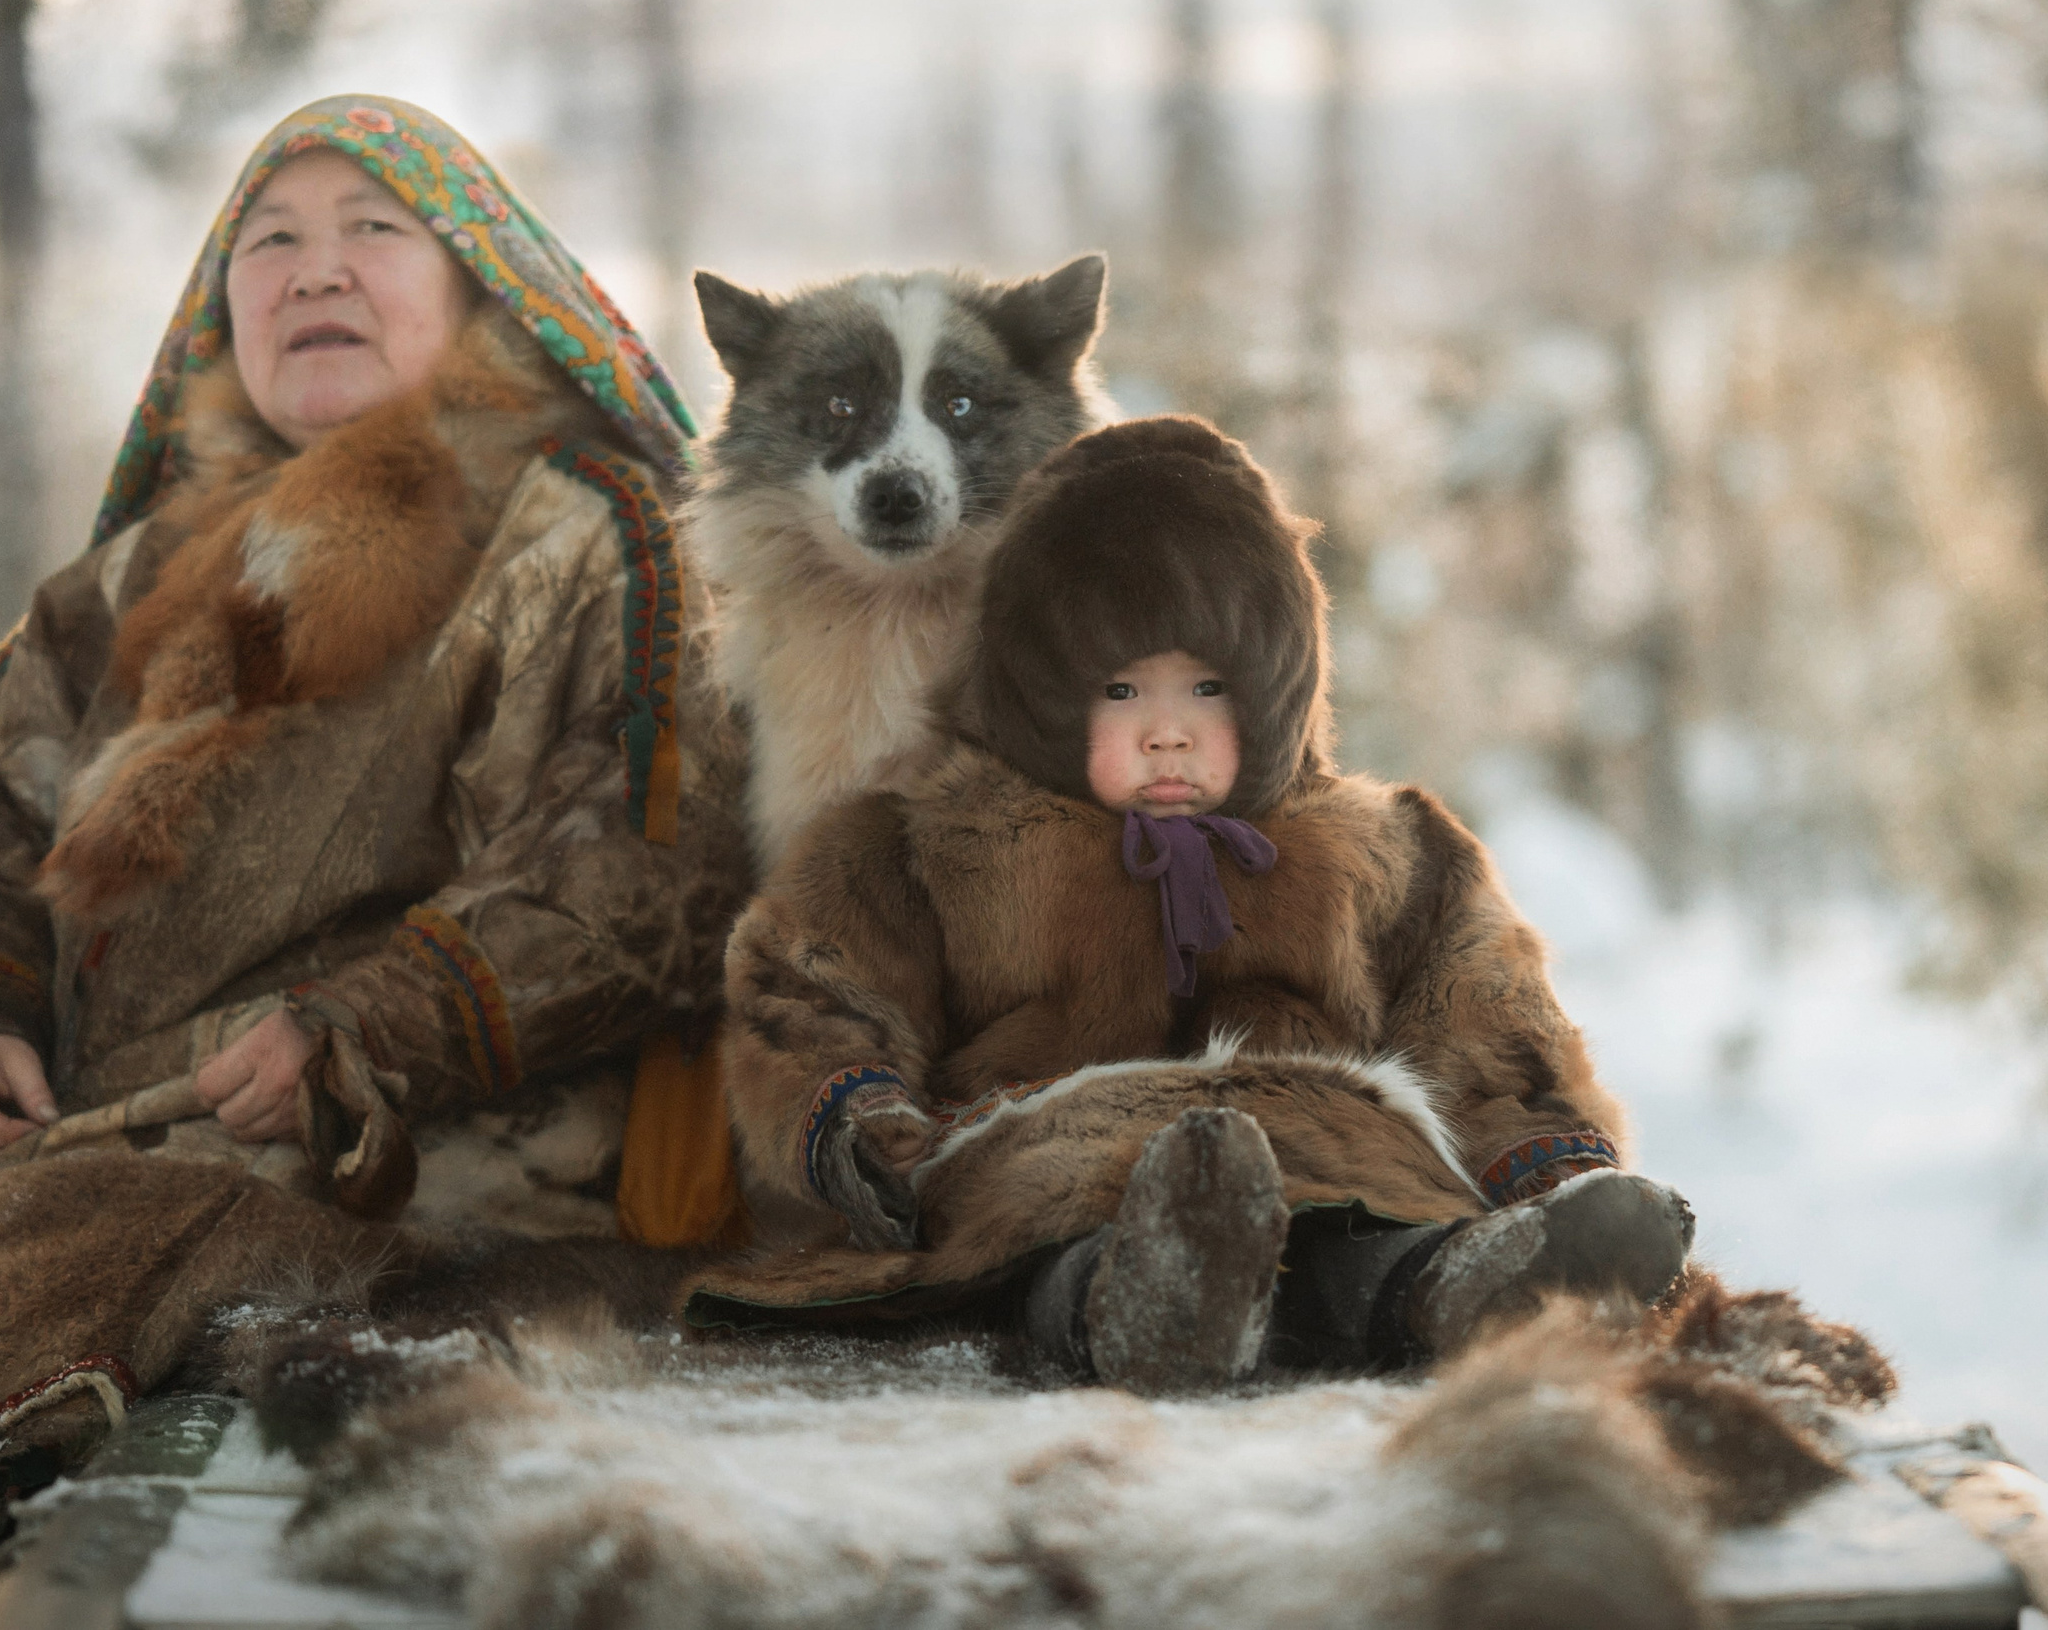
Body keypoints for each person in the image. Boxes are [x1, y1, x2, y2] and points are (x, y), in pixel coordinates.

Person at [0, 96, 753, 1616]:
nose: (316, 271)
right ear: (220, 305)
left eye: (374, 232)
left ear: (475, 286)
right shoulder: (124, 576)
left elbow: (650, 870)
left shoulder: (585, 535)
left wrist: (362, 1028)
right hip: (105, 1159)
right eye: (270, 242)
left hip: (424, 1188)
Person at [689, 416, 1694, 1393]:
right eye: (1121, 693)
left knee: (1368, 1233)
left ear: (1274, 689)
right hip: (1052, 1170)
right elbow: (810, 987)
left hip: (1337, 1155)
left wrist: (1541, 1159)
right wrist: (860, 1120)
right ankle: (1141, 1300)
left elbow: (1484, 1017)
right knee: (1054, 1250)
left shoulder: (1389, 853)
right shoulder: (923, 845)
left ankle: (1465, 1282)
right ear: (1039, 694)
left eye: (1206, 689)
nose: (1167, 732)